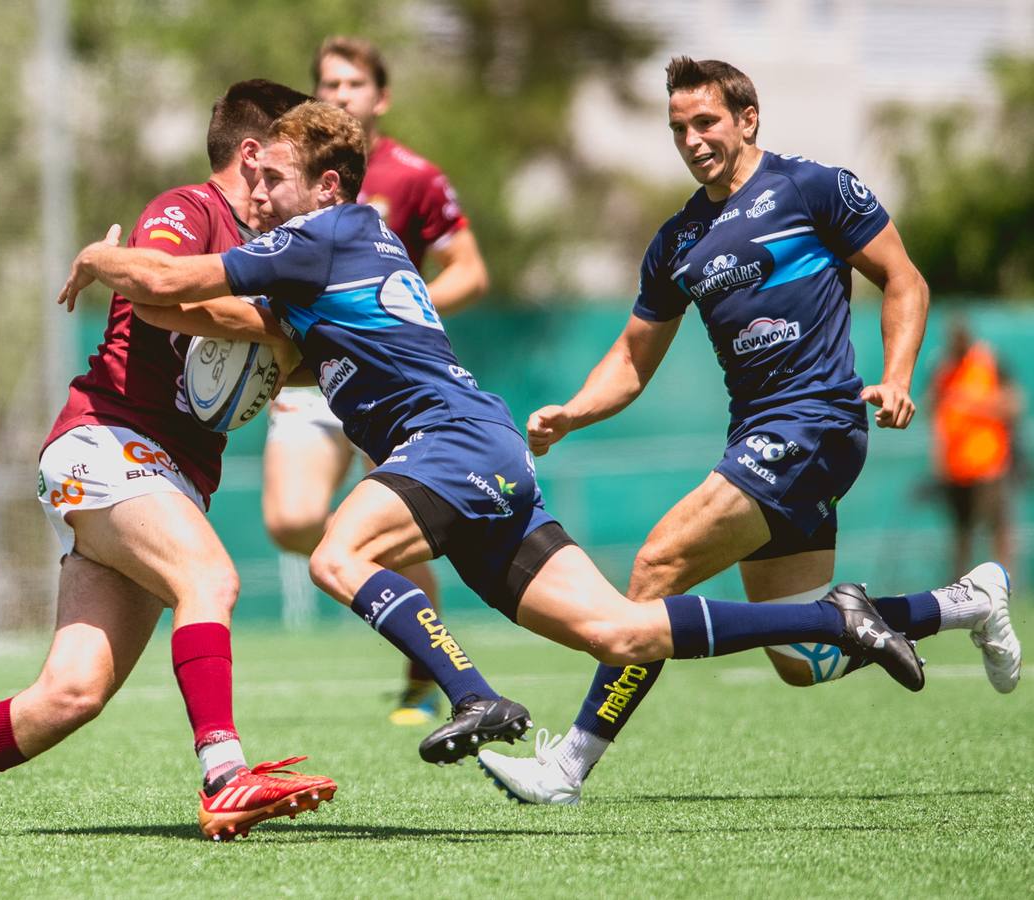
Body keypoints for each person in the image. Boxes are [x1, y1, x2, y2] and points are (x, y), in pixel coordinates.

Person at [56, 99, 926, 772]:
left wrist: (102, 263)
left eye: (274, 177)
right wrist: (176, 317)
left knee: (336, 556)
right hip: (482, 445)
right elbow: (223, 316)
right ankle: (834, 618)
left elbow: (174, 276)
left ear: (325, 186)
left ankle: (473, 694)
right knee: (619, 632)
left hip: (448, 442)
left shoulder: (319, 235)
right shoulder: (337, 255)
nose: (259, 193)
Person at [476, 56, 1022, 806]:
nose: (693, 139)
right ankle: (965, 601)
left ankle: (567, 767)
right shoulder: (677, 240)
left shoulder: (812, 187)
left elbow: (906, 278)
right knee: (800, 658)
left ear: (747, 118)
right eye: (678, 129)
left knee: (656, 567)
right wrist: (573, 411)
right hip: (757, 437)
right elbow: (633, 357)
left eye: (706, 122)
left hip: (816, 424)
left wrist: (895, 377)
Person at [0, 80, 336, 844]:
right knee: (211, 579)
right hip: (105, 444)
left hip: (168, 476)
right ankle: (226, 775)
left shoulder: (274, 252)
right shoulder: (190, 209)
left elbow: (277, 352)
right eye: (294, 156)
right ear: (255, 155)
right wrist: (105, 255)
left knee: (68, 694)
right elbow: (151, 276)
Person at [261, 36, 490, 726]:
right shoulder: (287, 173)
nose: (339, 94)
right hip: (314, 373)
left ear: (380, 97)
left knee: (369, 532)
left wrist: (393, 315)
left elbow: (472, 272)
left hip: (389, 380)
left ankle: (425, 661)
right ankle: (392, 577)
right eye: (327, 83)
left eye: (353, 83)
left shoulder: (414, 176)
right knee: (291, 519)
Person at [929, 317, 1023, 579]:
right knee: (961, 536)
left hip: (990, 465)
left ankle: (1005, 585)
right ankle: (960, 593)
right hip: (955, 469)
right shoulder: (942, 368)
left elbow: (1014, 404)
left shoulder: (989, 362)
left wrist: (975, 404)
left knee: (998, 532)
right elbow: (934, 412)